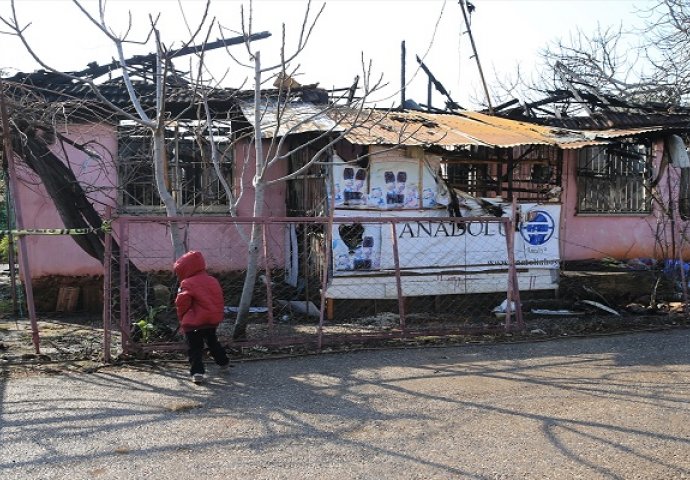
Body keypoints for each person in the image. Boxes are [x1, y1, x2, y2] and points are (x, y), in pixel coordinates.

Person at [174, 250, 229, 383]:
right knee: (212, 341)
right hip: (210, 319)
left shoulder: (187, 283)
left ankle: (197, 372)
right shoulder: (212, 280)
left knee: (195, 347)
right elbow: (218, 299)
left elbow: (182, 302)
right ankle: (223, 362)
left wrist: (182, 317)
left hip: (193, 321)